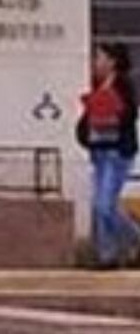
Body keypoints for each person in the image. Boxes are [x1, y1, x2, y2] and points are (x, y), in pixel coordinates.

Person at [79, 42, 140, 269]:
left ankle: (132, 239)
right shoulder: (96, 85)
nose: (96, 62)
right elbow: (87, 118)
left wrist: (112, 109)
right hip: (99, 151)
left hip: (117, 152)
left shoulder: (123, 85)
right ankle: (108, 255)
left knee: (105, 205)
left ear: (112, 61)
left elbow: (129, 116)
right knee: (102, 205)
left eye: (100, 57)